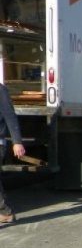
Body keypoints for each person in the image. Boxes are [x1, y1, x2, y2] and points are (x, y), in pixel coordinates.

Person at [0, 82, 26, 226]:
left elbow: (9, 115)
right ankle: (4, 212)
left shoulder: (0, 90)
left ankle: (5, 212)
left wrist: (17, 141)